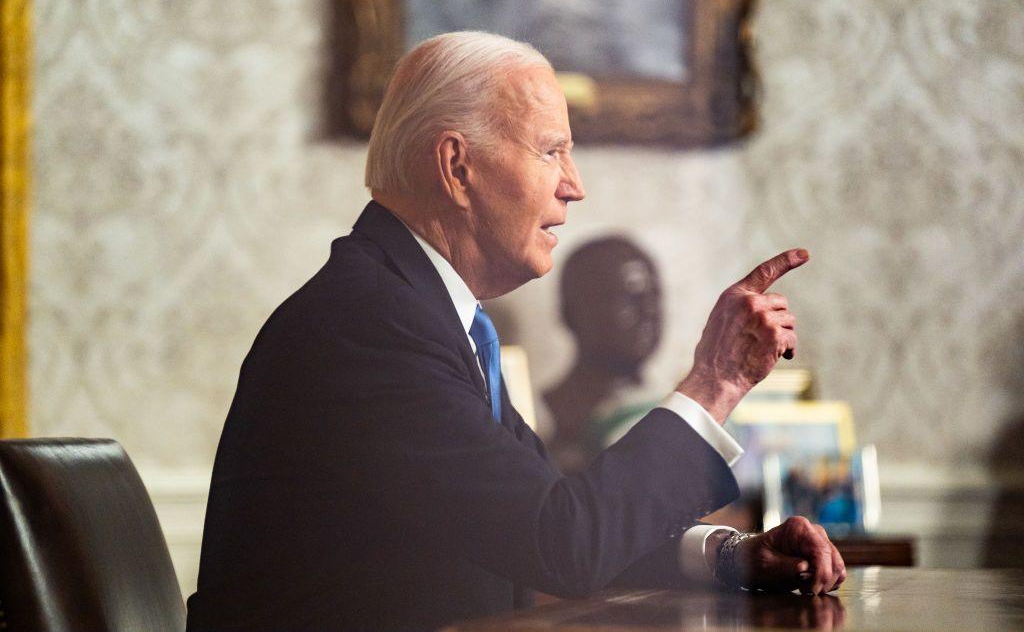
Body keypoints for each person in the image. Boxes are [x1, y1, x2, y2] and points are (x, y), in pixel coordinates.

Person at [186, 32, 845, 632]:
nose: (574, 186)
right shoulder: (369, 324)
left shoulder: (429, 312)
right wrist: (716, 380)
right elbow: (562, 542)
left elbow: (546, 512)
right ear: (456, 167)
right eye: (551, 150)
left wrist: (732, 557)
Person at [543, 235, 665, 472]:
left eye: (654, 296)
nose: (649, 311)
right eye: (628, 299)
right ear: (572, 313)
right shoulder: (547, 415)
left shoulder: (670, 405)